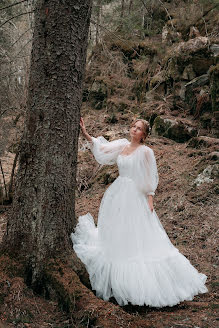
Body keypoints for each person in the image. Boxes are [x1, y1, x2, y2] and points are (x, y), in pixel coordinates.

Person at [71, 117, 208, 308]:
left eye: (139, 128)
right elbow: (102, 151)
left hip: (135, 196)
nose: (134, 130)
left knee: (136, 233)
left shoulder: (146, 152)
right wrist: (85, 133)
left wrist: (150, 199)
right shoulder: (122, 145)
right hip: (117, 194)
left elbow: (149, 175)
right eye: (133, 126)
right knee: (117, 230)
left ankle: (136, 281)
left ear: (144, 135)